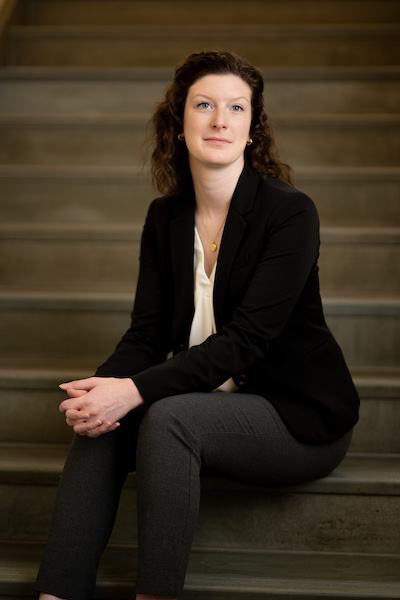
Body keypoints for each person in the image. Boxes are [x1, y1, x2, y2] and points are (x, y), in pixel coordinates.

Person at [35, 51, 360, 600]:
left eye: (236, 109)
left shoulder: (290, 213)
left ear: (251, 130)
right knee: (103, 422)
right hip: (209, 402)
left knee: (165, 415)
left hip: (297, 417)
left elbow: (249, 340)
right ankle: (57, 593)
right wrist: (103, 389)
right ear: (178, 124)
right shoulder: (165, 219)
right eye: (204, 105)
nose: (220, 120)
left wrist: (133, 391)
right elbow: (146, 334)